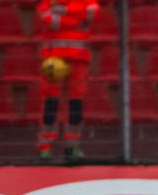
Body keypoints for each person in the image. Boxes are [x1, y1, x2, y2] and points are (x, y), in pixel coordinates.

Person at [36, 0, 98, 162]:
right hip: (53, 59)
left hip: (79, 59)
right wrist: (76, 18)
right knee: (51, 103)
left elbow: (92, 13)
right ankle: (45, 148)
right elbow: (49, 21)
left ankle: (72, 146)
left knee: (75, 104)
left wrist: (62, 11)